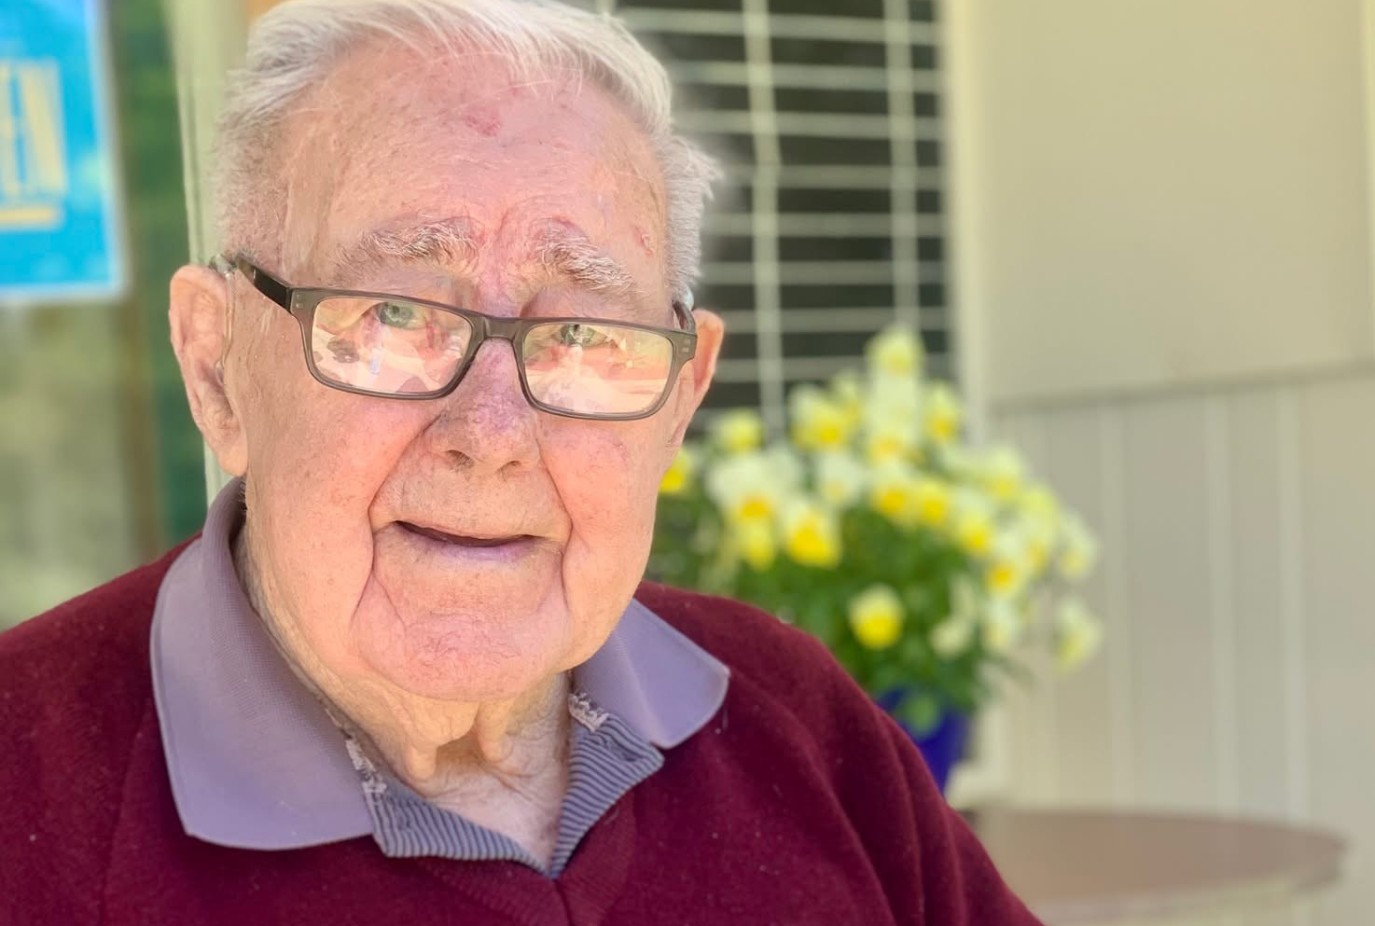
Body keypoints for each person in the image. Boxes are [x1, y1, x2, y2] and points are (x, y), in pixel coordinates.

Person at [0, 1, 1042, 923]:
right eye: (396, 313)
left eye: (584, 335)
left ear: (679, 399)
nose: (491, 431)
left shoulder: (793, 716)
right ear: (217, 363)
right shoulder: (24, 792)